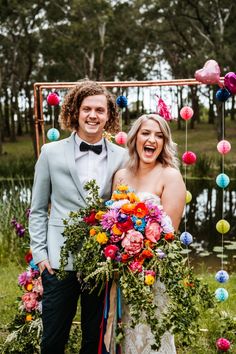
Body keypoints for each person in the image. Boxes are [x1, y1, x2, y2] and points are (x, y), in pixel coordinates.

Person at [29, 80, 127, 354]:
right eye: (87, 109)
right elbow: (37, 209)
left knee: (95, 342)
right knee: (53, 340)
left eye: (99, 109)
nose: (93, 115)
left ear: (109, 115)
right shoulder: (50, 153)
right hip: (58, 263)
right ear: (75, 112)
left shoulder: (122, 157)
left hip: (102, 261)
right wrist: (40, 254)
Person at [112, 113, 186, 354]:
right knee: (122, 332)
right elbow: (111, 222)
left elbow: (169, 234)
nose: (152, 139)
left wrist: (141, 260)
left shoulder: (170, 176)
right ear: (135, 138)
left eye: (159, 135)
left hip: (151, 273)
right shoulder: (121, 176)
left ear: (164, 143)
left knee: (151, 334)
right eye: (146, 133)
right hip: (121, 272)